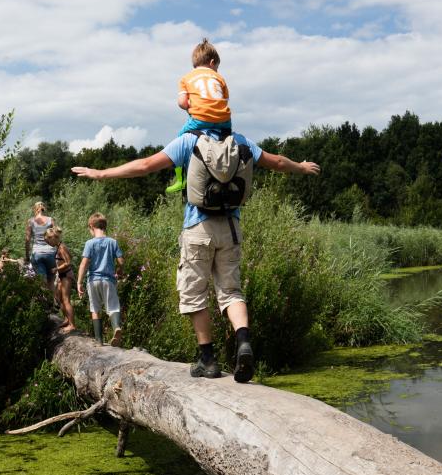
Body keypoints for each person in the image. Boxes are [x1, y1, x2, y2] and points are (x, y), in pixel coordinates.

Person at [71, 132, 319, 382]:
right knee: (232, 292)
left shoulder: (189, 141)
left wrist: (100, 173)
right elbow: (276, 162)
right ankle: (243, 342)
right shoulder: (239, 141)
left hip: (198, 228)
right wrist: (301, 166)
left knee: (194, 293)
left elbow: (144, 166)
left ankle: (207, 359)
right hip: (231, 228)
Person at [166, 39, 232, 194]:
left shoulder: (186, 78)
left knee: (180, 137)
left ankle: (181, 180)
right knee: (226, 141)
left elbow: (182, 102)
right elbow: (224, 100)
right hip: (224, 122)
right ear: (212, 62)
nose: (216, 70)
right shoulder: (220, 78)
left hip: (200, 120)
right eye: (217, 67)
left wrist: (192, 106)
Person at [76, 212, 125, 346]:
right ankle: (116, 327)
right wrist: (119, 271)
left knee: (95, 309)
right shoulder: (112, 242)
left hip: (93, 280)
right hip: (109, 280)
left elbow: (84, 263)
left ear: (91, 226)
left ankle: (99, 341)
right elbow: (121, 260)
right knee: (114, 307)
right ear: (104, 226)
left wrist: (79, 282)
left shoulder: (89, 243)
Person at [45, 226, 76, 333]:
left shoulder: (62, 247)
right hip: (61, 275)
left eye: (48, 240)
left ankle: (72, 324)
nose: (48, 243)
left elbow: (68, 262)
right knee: (59, 297)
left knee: (66, 299)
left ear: (53, 238)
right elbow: (70, 256)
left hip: (66, 275)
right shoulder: (60, 247)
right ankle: (67, 319)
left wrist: (56, 268)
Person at [25, 202, 58, 293]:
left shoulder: (31, 221)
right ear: (44, 208)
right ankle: (53, 303)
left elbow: (27, 240)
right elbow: (56, 236)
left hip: (37, 254)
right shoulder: (51, 220)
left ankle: (45, 305)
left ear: (35, 209)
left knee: (42, 281)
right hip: (51, 253)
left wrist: (27, 256)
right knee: (51, 281)